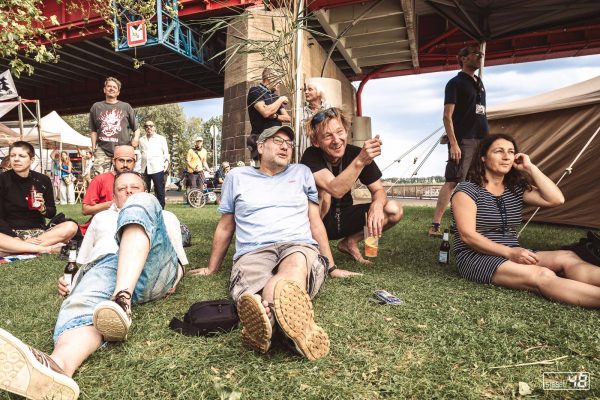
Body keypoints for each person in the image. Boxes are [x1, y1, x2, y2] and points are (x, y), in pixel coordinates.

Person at [0, 171, 188, 400]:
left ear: (145, 189)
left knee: (140, 205)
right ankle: (56, 370)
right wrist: (72, 280)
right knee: (83, 308)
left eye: (134, 187)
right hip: (106, 267)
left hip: (153, 267)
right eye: (121, 189)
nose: (128, 191)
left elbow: (178, 260)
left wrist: (175, 280)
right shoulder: (101, 218)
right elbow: (83, 262)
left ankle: (122, 299)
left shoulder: (164, 215)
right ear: (113, 197)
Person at [189, 125, 359, 361]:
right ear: (260, 147)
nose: (285, 147)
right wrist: (212, 268)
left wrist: (331, 266)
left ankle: (268, 321)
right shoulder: (236, 177)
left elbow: (315, 222)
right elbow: (226, 226)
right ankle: (289, 326)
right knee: (253, 284)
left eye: (289, 144)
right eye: (278, 141)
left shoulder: (301, 173)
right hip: (253, 250)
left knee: (296, 265)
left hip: (296, 244)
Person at [452, 134, 600, 308]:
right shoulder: (467, 190)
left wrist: (530, 167)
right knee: (542, 275)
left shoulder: (515, 189)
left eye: (511, 152)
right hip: (477, 257)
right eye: (499, 151)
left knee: (567, 257)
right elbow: (468, 236)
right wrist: (510, 253)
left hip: (514, 252)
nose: (506, 157)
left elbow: (556, 199)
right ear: (483, 157)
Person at [301, 107, 403, 264]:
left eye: (340, 132)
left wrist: (377, 204)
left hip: (346, 217)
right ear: (316, 141)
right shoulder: (311, 155)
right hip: (319, 221)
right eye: (328, 136)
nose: (336, 140)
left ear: (346, 131)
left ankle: (350, 242)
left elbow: (378, 190)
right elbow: (335, 189)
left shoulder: (355, 153)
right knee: (323, 191)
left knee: (393, 209)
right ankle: (317, 247)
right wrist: (361, 160)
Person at [429, 45, 489, 237]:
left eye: (481, 54)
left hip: (482, 138)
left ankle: (465, 223)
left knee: (475, 181)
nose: (480, 57)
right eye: (475, 54)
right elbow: (447, 116)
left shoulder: (479, 82)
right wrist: (454, 143)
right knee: (454, 181)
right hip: (464, 140)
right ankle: (435, 225)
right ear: (462, 58)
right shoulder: (455, 83)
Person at [0, 141, 78, 246]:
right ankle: (40, 248)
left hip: (39, 234)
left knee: (71, 227)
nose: (16, 159)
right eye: (12, 155)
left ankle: (20, 248)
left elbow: (51, 213)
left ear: (32, 160)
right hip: (9, 234)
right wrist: (15, 238)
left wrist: (42, 208)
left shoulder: (43, 180)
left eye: (22, 156)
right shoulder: (2, 179)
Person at [89, 77, 140, 176]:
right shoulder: (96, 107)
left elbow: (136, 129)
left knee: (123, 178)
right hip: (102, 149)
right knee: (100, 178)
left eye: (114, 87)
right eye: (109, 86)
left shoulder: (126, 107)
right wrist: (93, 147)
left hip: (122, 149)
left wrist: (136, 139)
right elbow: (93, 130)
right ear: (104, 90)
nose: (111, 89)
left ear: (118, 92)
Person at [80, 145, 135, 235]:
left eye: (129, 161)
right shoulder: (100, 179)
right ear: (113, 161)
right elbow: (85, 210)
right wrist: (111, 204)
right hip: (102, 228)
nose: (125, 165)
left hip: (131, 227)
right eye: (121, 160)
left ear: (134, 163)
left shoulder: (138, 182)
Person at [246, 68, 291, 159]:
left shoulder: (275, 96)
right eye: (278, 78)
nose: (280, 82)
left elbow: (287, 118)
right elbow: (266, 112)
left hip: (277, 140)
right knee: (262, 170)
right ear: (270, 77)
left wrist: (275, 116)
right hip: (261, 138)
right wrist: (281, 99)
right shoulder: (255, 91)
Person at [139, 120, 170, 208]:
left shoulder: (161, 138)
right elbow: (141, 154)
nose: (149, 128)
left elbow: (166, 152)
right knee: (144, 190)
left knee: (159, 189)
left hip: (158, 167)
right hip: (145, 168)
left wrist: (166, 163)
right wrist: (139, 169)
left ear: (154, 127)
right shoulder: (141, 140)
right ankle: (145, 208)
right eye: (146, 126)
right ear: (144, 128)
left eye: (151, 126)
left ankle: (161, 209)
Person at [300, 79, 330, 153]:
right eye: (306, 90)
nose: (306, 92)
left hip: (325, 154)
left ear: (319, 93)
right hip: (305, 155)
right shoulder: (300, 111)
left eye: (310, 89)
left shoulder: (329, 109)